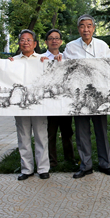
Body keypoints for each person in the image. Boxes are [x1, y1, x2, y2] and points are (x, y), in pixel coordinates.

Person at [63, 16, 110, 177]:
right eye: (82, 26)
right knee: (82, 132)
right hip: (79, 96)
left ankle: (105, 164)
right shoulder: (71, 47)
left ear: (93, 28)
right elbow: (64, 68)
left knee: (101, 131)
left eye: (88, 26)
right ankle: (85, 166)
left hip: (99, 95)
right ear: (78, 29)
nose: (85, 29)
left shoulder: (102, 45)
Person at [11, 30, 51, 180]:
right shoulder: (12, 61)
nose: (25, 42)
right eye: (22, 40)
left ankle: (43, 168)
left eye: (28, 40)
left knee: (41, 136)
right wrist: (0, 64)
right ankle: (26, 169)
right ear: (19, 43)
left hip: (38, 104)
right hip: (20, 105)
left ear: (34, 44)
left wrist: (52, 62)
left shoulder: (43, 59)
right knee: (23, 136)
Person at [43, 29, 75, 169]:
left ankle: (70, 159)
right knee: (51, 133)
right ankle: (52, 161)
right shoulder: (41, 58)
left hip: (65, 101)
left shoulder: (67, 58)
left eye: (57, 38)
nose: (54, 41)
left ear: (61, 42)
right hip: (49, 102)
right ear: (46, 42)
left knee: (67, 131)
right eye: (51, 38)